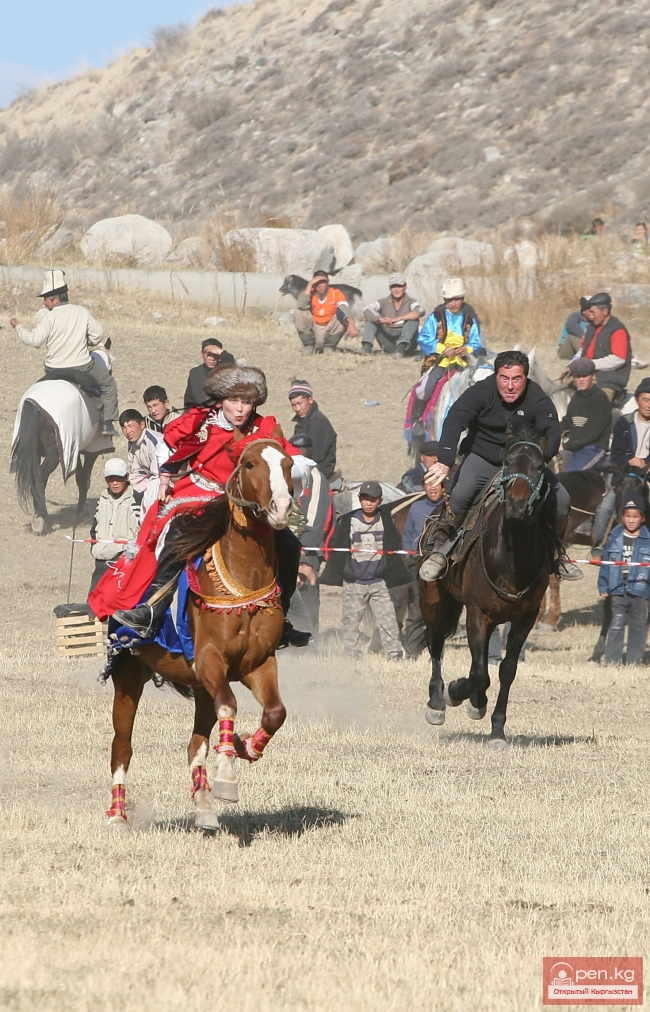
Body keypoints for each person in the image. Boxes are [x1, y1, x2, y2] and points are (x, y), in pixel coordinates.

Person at [89, 365, 311, 648]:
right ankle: (154, 609)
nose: (241, 409)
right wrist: (165, 478)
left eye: (247, 402)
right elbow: (167, 444)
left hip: (243, 502)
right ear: (221, 400)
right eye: (234, 401)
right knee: (178, 536)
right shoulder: (200, 419)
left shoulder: (264, 425)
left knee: (289, 545)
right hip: (199, 493)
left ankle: (282, 615)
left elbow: (295, 460)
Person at [419, 349, 582, 582]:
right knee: (460, 495)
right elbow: (455, 419)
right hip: (483, 457)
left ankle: (556, 554)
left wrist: (538, 462)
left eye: (517, 379)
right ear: (496, 376)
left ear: (526, 378)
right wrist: (445, 461)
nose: (510, 386)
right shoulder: (480, 392)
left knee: (563, 500)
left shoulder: (538, 398)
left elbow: (552, 433)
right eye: (504, 378)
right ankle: (441, 549)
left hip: (524, 463)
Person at [10, 269, 118, 436]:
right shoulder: (82, 312)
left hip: (53, 370)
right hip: (82, 367)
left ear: (56, 298)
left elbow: (34, 340)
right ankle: (107, 424)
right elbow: (98, 336)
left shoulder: (50, 317)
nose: (44, 303)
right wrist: (84, 340)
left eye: (45, 299)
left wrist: (18, 326)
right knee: (109, 385)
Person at [320, 480, 410, 660]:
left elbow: (394, 546)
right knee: (351, 622)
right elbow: (337, 547)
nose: (368, 503)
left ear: (380, 500)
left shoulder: (386, 520)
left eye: (373, 499)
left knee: (388, 621)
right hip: (354, 583)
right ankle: (353, 654)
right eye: (365, 498)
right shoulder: (348, 521)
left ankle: (394, 654)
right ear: (359, 499)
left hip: (378, 583)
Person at [410, 278, 482, 439]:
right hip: (439, 362)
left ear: (462, 299)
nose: (454, 303)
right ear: (445, 301)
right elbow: (423, 339)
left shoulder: (470, 321)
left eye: (457, 299)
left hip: (463, 364)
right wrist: (443, 349)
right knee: (424, 390)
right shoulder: (435, 318)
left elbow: (476, 343)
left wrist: (467, 349)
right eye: (450, 300)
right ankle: (416, 421)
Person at [591, 377, 650, 557]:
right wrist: (631, 461)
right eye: (646, 399)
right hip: (625, 475)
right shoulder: (624, 423)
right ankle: (598, 545)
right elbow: (615, 453)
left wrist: (646, 464)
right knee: (606, 507)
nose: (649, 404)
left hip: (647, 476)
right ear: (637, 400)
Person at [287, 433, 335, 636]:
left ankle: (309, 636)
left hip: (307, 547)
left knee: (306, 590)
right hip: (289, 546)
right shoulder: (291, 476)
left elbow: (317, 519)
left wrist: (303, 551)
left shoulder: (315, 478)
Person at [598, 492, 650, 666]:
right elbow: (606, 562)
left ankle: (634, 662)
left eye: (635, 516)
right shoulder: (614, 537)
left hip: (641, 590)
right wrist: (603, 585)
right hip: (617, 588)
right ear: (622, 517)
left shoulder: (648, 539)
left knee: (638, 627)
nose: (631, 520)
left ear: (642, 518)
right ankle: (612, 661)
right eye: (627, 516)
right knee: (616, 625)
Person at [401, 478, 446, 658]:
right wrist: (408, 555)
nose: (432, 487)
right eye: (428, 484)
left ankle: (436, 655)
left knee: (439, 610)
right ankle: (412, 654)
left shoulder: (449, 508)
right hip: (416, 564)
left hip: (441, 566)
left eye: (436, 483)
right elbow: (407, 535)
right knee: (415, 608)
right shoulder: (416, 507)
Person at [88, 458, 141, 594]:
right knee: (93, 602)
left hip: (121, 561)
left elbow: (140, 532)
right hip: (100, 559)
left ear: (127, 477)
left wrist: (127, 554)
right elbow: (95, 527)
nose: (115, 483)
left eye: (119, 478)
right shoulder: (103, 497)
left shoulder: (136, 499)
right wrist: (95, 547)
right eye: (111, 479)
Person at [560, 358, 612, 471]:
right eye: (577, 377)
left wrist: (565, 446)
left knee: (571, 477)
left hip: (593, 448)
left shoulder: (600, 398)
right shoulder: (576, 397)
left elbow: (591, 433)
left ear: (592, 376)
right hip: (574, 447)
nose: (581, 380)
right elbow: (567, 422)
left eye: (585, 376)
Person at [577, 292, 631, 401]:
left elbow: (618, 359)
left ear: (605, 311)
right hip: (586, 374)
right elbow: (582, 349)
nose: (590, 316)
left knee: (597, 405)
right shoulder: (592, 327)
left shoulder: (618, 330)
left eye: (593, 312)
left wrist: (590, 364)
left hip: (608, 379)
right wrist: (574, 363)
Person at [293, 270, 358, 356]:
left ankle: (329, 347)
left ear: (328, 282)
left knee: (342, 316)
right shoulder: (309, 293)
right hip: (314, 331)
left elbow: (343, 308)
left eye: (323, 282)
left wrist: (351, 322)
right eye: (317, 282)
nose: (320, 285)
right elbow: (300, 305)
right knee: (299, 312)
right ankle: (308, 346)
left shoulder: (336, 293)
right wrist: (309, 285)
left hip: (329, 330)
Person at [361, 273, 426, 358]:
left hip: (408, 344)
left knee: (413, 320)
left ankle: (401, 349)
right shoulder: (382, 301)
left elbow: (420, 311)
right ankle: (366, 347)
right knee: (371, 318)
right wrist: (380, 319)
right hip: (388, 341)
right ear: (390, 288)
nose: (396, 289)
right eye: (393, 287)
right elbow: (367, 309)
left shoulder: (412, 302)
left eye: (399, 286)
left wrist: (397, 319)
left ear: (405, 287)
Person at [289, 380, 337, 479]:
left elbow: (316, 457)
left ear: (310, 400)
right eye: (293, 405)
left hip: (318, 474)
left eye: (300, 403)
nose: (297, 409)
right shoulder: (303, 422)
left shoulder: (318, 422)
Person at [119, 409, 162, 509]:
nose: (127, 432)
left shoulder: (155, 442)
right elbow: (136, 471)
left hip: (162, 481)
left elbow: (157, 475)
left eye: (130, 426)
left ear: (142, 425)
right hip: (147, 479)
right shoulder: (131, 443)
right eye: (124, 428)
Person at [184, 339, 236, 408]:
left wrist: (222, 352)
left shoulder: (224, 371)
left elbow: (231, 368)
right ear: (202, 354)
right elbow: (189, 401)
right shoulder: (195, 373)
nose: (212, 358)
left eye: (215, 355)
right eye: (208, 354)